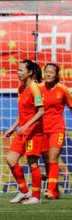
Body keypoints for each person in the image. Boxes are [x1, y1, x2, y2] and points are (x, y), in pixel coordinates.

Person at [4, 59, 44, 204]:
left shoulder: (35, 88)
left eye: (21, 70)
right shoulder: (21, 88)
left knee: (32, 163)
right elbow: (23, 113)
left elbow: (41, 111)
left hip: (34, 131)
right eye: (17, 70)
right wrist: (12, 128)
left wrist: (26, 126)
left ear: (30, 72)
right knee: (11, 159)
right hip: (22, 131)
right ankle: (23, 191)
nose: (18, 73)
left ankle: (36, 197)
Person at [39, 63, 72, 199]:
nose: (48, 74)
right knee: (47, 160)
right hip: (41, 129)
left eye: (51, 72)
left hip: (57, 128)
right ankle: (56, 190)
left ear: (57, 74)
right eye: (46, 72)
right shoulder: (38, 89)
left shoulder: (62, 89)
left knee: (53, 158)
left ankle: (51, 190)